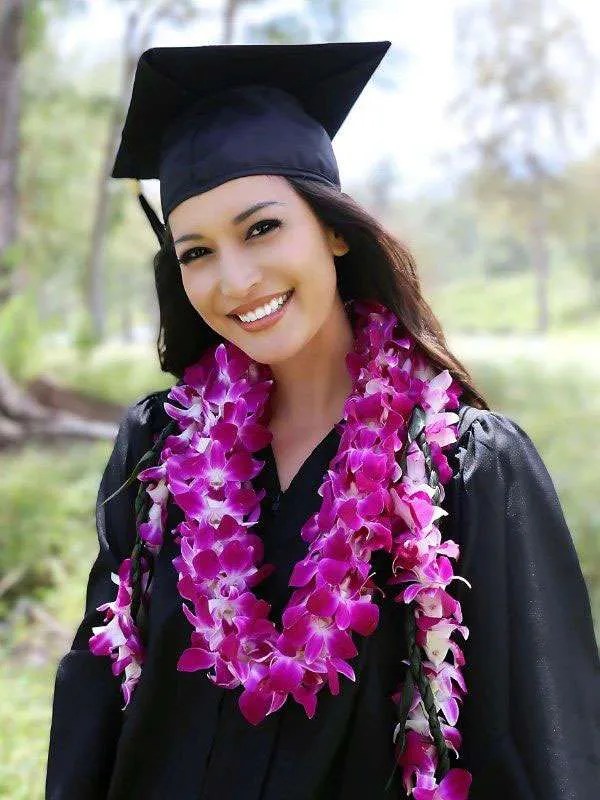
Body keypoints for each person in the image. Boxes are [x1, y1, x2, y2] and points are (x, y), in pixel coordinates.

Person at [45, 41, 600, 800]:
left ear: (334, 229)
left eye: (263, 228)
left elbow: (540, 743)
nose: (236, 279)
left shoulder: (464, 469)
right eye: (197, 250)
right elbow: (102, 701)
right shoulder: (160, 453)